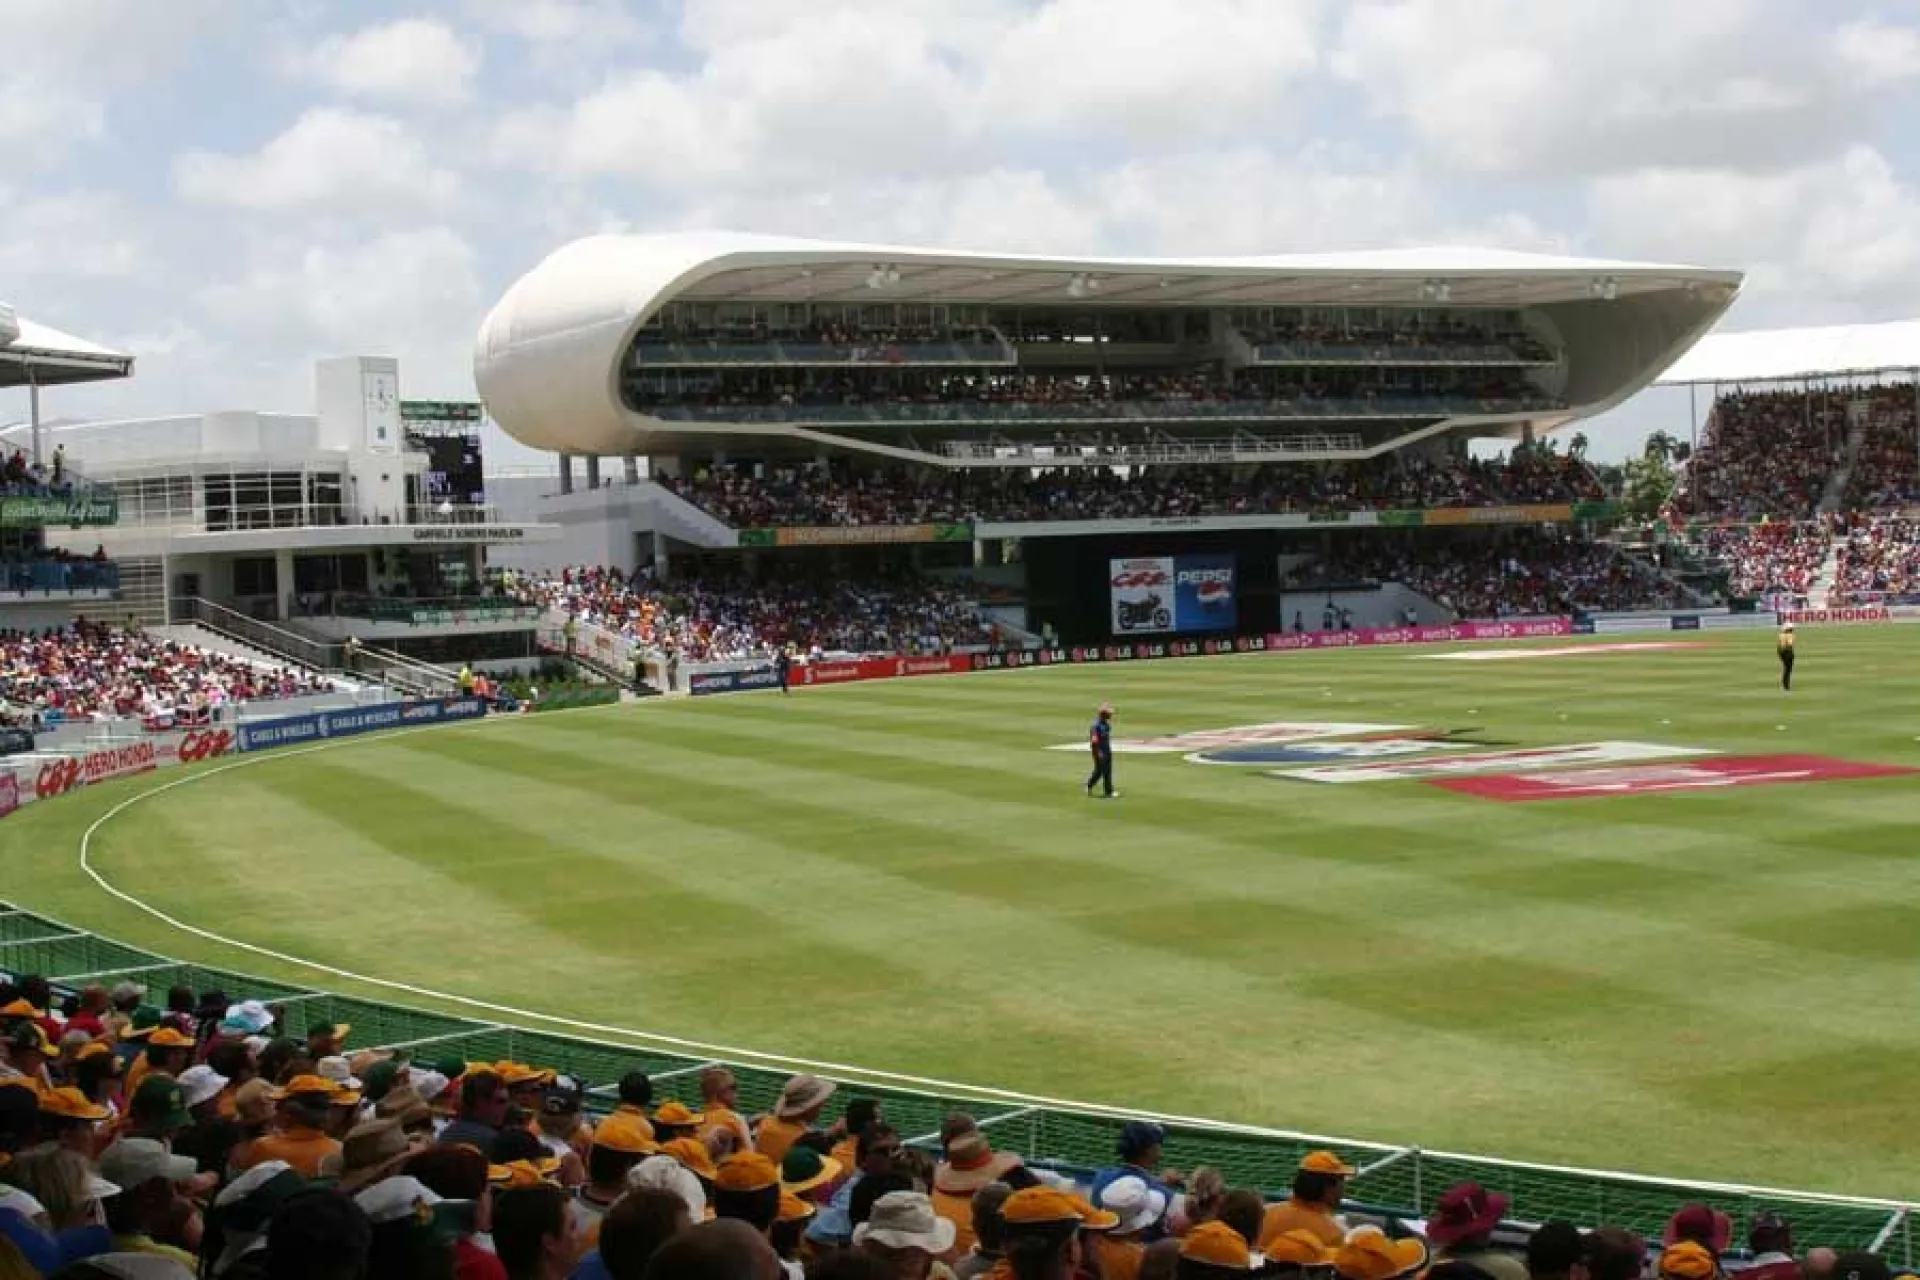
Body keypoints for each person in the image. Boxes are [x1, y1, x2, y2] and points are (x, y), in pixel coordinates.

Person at [1086, 703, 1116, 799]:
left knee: (1108, 771)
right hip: (1099, 751)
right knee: (1099, 771)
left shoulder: (1106, 725)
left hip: (1107, 750)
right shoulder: (1096, 725)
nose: (1110, 715)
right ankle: (1089, 785)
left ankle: (1108, 792)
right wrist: (1099, 753)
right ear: (1103, 714)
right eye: (1109, 713)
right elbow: (1094, 741)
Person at [1778, 619, 1795, 691]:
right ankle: (1786, 685)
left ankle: (1785, 684)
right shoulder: (1790, 635)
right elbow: (1790, 643)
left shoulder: (1781, 635)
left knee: (1786, 668)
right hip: (1788, 652)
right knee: (1788, 669)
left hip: (1781, 651)